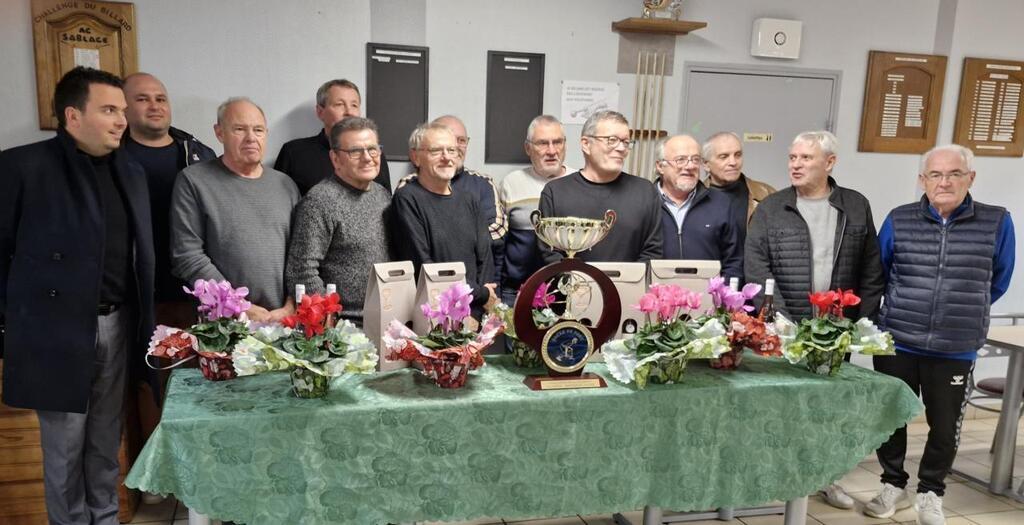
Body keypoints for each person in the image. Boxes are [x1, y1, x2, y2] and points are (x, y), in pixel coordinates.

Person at [0, 66, 156, 525]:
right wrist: (11, 325)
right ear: (72, 116)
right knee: (65, 451)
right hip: (54, 332)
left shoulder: (130, 169)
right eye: (109, 109)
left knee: (107, 444)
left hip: (118, 324)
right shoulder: (21, 167)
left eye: (122, 111)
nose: (121, 120)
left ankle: (104, 519)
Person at [863, 145, 1015, 525]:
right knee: (889, 419)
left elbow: (998, 280)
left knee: (945, 426)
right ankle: (891, 484)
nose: (944, 181)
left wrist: (960, 310)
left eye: (954, 174)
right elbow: (880, 272)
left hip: (956, 345)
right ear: (922, 180)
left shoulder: (997, 222)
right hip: (898, 338)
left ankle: (931, 492)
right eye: (935, 174)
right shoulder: (899, 219)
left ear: (971, 178)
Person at [744, 131, 885, 509]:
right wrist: (780, 320)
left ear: (830, 163)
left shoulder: (855, 206)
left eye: (806, 158)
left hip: (836, 332)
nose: (795, 164)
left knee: (831, 412)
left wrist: (860, 320)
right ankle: (774, 477)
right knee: (781, 408)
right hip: (786, 329)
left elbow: (872, 267)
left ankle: (828, 478)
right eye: (792, 157)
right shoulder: (772, 208)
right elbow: (756, 268)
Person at [170, 97, 300, 322]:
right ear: (219, 133)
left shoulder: (286, 185)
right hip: (224, 323)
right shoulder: (193, 181)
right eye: (240, 129)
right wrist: (237, 305)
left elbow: (301, 253)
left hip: (281, 319)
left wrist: (292, 303)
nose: (251, 138)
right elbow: (187, 256)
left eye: (258, 130)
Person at [122, 72, 217, 328]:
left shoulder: (200, 155)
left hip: (189, 290)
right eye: (143, 99)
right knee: (138, 367)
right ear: (124, 108)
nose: (155, 106)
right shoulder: (111, 157)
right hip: (130, 291)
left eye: (161, 99)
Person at [285, 116, 391, 325]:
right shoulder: (320, 201)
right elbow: (301, 270)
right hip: (345, 327)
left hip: (385, 320)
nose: (367, 157)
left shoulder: (383, 195)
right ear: (335, 158)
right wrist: (330, 320)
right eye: (355, 151)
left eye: (373, 149)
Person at [390, 122, 497, 311]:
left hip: (475, 310)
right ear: (416, 157)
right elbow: (425, 266)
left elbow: (485, 256)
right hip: (435, 313)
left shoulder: (469, 199)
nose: (447, 157)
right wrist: (479, 296)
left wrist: (477, 308)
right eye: (436, 151)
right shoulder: (407, 198)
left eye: (452, 150)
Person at [538, 110, 662, 263]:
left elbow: (652, 252)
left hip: (629, 286)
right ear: (586, 144)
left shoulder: (645, 192)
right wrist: (578, 284)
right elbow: (549, 253)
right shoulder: (555, 192)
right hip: (572, 285)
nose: (622, 148)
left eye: (625, 142)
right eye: (612, 140)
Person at [498, 114, 574, 306]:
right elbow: (498, 244)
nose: (551, 151)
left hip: (567, 293)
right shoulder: (511, 183)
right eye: (542, 143)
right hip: (515, 293)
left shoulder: (579, 183)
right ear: (527, 148)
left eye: (557, 142)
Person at [275, 79, 392, 194]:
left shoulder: (373, 155)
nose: (349, 112)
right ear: (320, 112)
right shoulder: (294, 153)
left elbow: (386, 203)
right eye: (340, 104)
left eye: (354, 105)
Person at [655, 134, 743, 279]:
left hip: (709, 298)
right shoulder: (645, 202)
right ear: (660, 166)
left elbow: (734, 261)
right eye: (680, 160)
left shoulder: (721, 204)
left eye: (695, 159)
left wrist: (722, 296)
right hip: (657, 297)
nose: (690, 166)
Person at [702, 131, 776, 229]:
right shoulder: (693, 198)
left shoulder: (766, 194)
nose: (733, 162)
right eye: (724, 157)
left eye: (738, 155)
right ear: (706, 164)